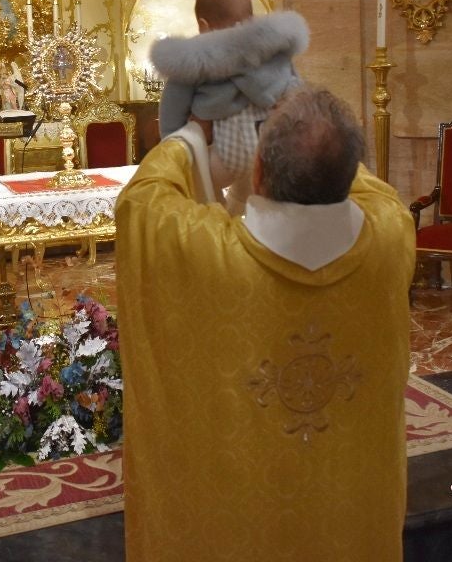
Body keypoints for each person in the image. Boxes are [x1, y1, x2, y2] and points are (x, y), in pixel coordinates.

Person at [115, 85, 415, 562]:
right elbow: (359, 183)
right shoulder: (391, 235)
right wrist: (314, 132)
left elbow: (142, 202)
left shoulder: (204, 251)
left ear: (256, 172)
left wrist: (195, 133)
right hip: (351, 529)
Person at [151, 0, 307, 214]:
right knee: (258, 195)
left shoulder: (195, 56)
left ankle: (219, 219)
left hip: (226, 153)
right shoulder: (271, 47)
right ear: (251, 19)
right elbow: (294, 86)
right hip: (266, 147)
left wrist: (174, 147)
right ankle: (255, 223)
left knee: (201, 185)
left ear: (203, 25)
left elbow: (172, 108)